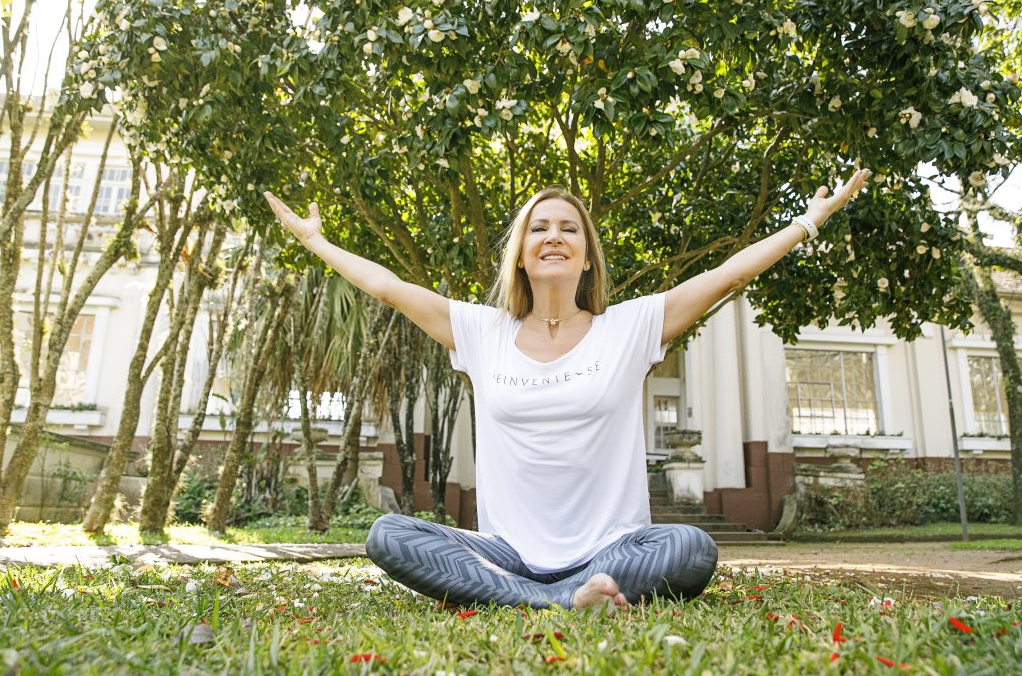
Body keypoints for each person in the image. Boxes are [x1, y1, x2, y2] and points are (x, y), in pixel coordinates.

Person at [264, 168, 869, 611]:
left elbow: (726, 275)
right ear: (522, 256)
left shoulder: (629, 327)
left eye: (569, 230)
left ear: (586, 259)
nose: (554, 236)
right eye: (539, 228)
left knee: (690, 548)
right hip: (506, 551)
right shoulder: (481, 330)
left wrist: (808, 220)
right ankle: (559, 602)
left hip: (610, 549)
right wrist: (317, 242)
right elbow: (389, 285)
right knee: (388, 534)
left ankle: (536, 599)